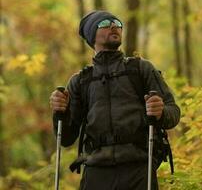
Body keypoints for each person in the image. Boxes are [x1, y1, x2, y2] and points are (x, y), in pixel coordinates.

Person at [49, 10, 180, 190]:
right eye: (104, 24)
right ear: (91, 35)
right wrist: (59, 113)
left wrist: (161, 112)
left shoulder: (140, 69)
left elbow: (174, 113)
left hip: (138, 169)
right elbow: (65, 138)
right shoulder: (81, 81)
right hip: (96, 172)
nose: (113, 26)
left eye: (117, 23)